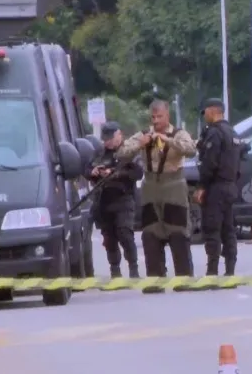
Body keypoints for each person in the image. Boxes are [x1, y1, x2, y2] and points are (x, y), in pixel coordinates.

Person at [117, 100, 197, 293]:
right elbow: (121, 153)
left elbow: (191, 149)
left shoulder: (178, 134)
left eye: (159, 117)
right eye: (153, 117)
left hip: (174, 184)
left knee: (177, 230)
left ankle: (184, 278)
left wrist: (167, 139)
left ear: (167, 116)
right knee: (151, 231)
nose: (156, 121)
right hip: (150, 186)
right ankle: (155, 278)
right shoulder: (144, 134)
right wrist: (140, 145)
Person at [85, 122, 143, 278]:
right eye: (105, 139)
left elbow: (137, 173)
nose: (108, 142)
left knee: (124, 232)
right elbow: (86, 169)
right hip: (104, 201)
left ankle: (133, 269)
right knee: (109, 237)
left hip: (124, 198)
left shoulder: (128, 152)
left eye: (111, 138)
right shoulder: (99, 153)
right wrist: (94, 172)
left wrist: (115, 173)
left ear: (120, 135)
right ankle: (115, 271)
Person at [194, 98, 242, 277]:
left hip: (216, 188)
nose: (204, 116)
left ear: (212, 111)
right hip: (230, 187)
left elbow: (209, 163)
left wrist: (201, 187)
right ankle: (230, 272)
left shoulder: (215, 133)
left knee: (212, 228)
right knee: (228, 229)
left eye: (205, 112)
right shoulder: (232, 132)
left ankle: (212, 272)